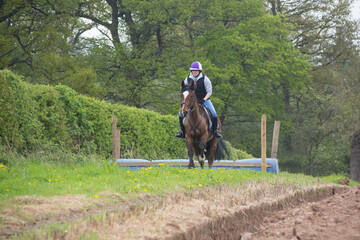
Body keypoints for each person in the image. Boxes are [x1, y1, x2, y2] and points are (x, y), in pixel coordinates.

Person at [175, 61, 223, 139]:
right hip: (191, 101)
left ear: (199, 71)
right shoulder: (187, 78)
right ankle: (182, 132)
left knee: (214, 114)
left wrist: (204, 99)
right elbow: (184, 90)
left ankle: (215, 131)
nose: (194, 72)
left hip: (204, 99)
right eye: (193, 70)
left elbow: (209, 92)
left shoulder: (205, 79)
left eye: (196, 70)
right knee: (180, 114)